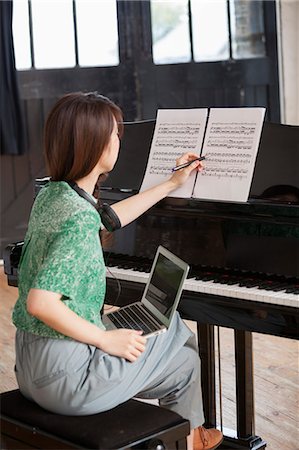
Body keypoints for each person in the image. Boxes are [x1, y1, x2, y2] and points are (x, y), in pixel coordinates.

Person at [12, 92, 223, 450]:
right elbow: (40, 303)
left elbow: (108, 219)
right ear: (94, 145)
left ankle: (190, 437)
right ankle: (191, 440)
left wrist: (172, 183)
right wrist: (104, 339)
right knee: (169, 323)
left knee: (185, 362)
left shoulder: (55, 194)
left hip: (31, 369)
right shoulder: (78, 216)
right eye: (114, 134)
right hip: (67, 379)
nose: (118, 141)